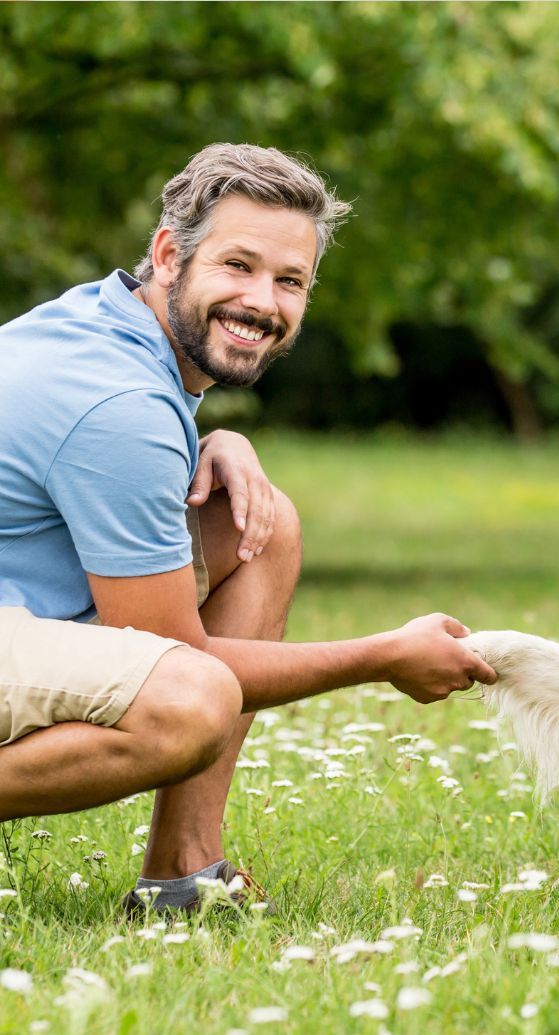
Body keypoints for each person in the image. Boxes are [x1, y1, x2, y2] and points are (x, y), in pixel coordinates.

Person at [0, 143, 497, 914]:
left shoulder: (104, 323)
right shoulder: (118, 406)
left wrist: (212, 443)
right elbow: (170, 655)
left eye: (290, 280)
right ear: (170, 255)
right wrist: (383, 656)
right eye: (238, 266)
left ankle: (182, 877)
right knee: (188, 698)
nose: (263, 301)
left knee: (260, 522)